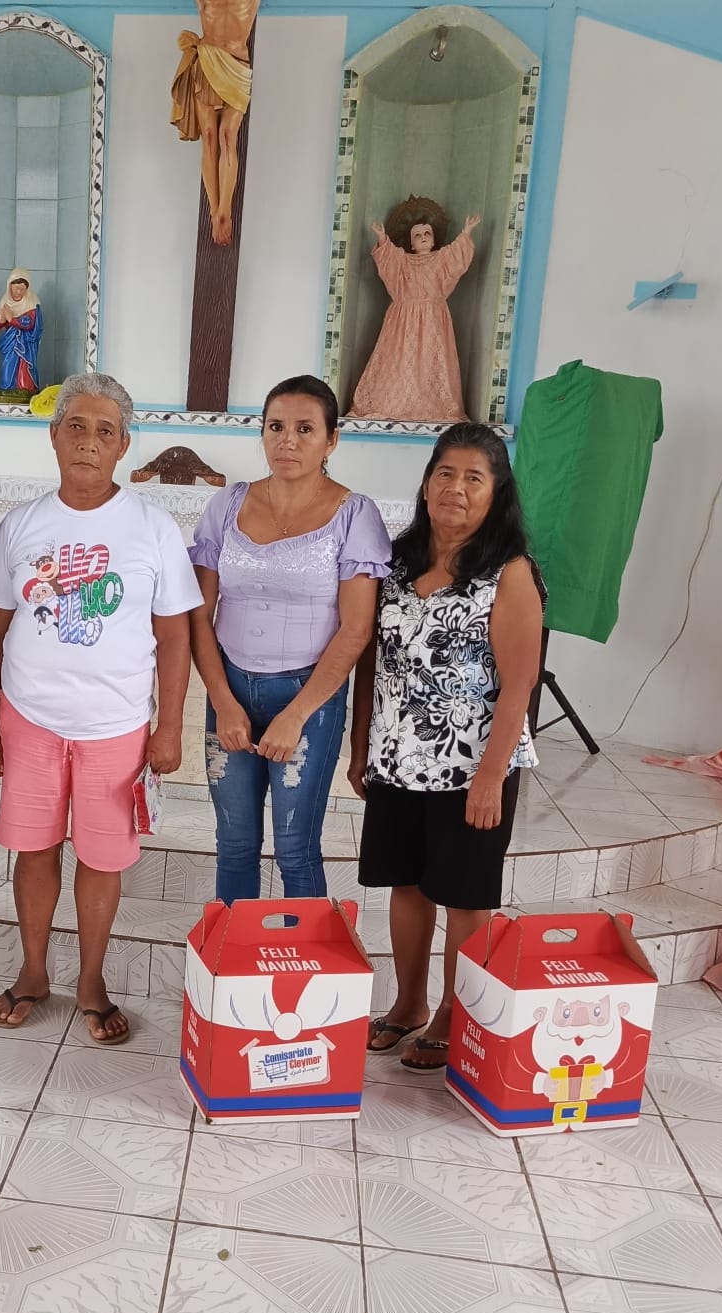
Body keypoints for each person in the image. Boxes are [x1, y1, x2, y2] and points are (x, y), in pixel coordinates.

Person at [0, 373, 201, 1044]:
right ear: (53, 435)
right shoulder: (22, 525)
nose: (89, 442)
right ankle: (33, 972)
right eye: (76, 426)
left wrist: (168, 728)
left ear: (124, 445)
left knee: (102, 857)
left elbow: (175, 637)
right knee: (35, 849)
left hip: (115, 727)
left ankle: (92, 981)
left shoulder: (152, 528)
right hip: (30, 719)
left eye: (105, 431)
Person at [348, 422, 542, 1070]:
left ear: (496, 492)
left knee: (463, 893)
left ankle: (454, 1015)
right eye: (445, 474)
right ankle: (408, 1002)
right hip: (398, 756)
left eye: (474, 478)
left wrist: (490, 777)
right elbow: (371, 661)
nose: (456, 488)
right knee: (406, 885)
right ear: (427, 483)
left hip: (471, 766)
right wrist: (361, 747)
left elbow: (519, 684)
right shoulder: (396, 563)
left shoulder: (508, 572)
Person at [190, 374, 390, 902]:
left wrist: (296, 715)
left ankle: (305, 952)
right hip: (231, 689)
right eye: (276, 427)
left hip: (309, 696)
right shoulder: (227, 506)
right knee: (234, 842)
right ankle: (234, 949)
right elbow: (198, 615)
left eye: (305, 429)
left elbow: (356, 629)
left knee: (295, 846)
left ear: (331, 439)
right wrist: (222, 702)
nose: (288, 441)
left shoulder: (354, 515)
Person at [348, 199, 481, 423]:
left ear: (434, 238)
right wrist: (382, 237)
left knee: (432, 363)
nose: (423, 237)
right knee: (398, 362)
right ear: (411, 243)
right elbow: (388, 259)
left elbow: (456, 256)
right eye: (417, 235)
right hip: (402, 320)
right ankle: (391, 406)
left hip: (433, 320)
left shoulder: (441, 259)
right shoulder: (402, 261)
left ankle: (433, 408)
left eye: (427, 233)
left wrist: (466, 231)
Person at [168, 0, 260, 245]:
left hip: (237, 67)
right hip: (207, 62)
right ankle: (213, 210)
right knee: (209, 137)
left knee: (227, 136)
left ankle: (225, 210)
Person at [0, 270, 43, 396]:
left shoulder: (32, 302)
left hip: (26, 344)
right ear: (10, 287)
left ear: (26, 289)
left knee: (24, 368)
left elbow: (30, 322)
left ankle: (25, 389)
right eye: (16, 288)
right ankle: (7, 388)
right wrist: (0, 320)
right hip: (11, 342)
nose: (18, 292)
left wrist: (11, 319)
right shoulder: (5, 301)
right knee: (8, 366)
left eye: (22, 289)